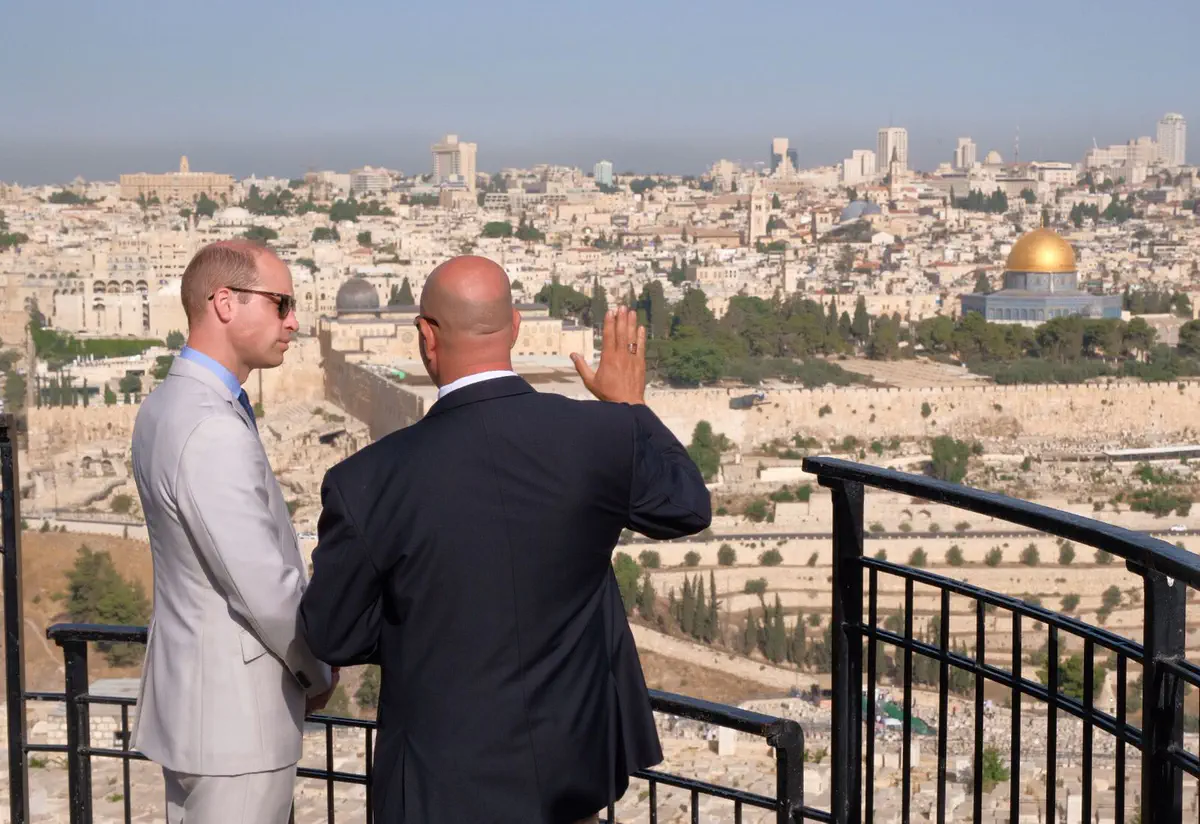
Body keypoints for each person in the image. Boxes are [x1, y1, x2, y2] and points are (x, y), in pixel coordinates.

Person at [300, 256, 712, 824]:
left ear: (426, 336)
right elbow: (688, 507)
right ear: (515, 326)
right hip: (567, 778)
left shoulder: (367, 481)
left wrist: (416, 619)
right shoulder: (602, 437)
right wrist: (631, 409)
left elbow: (333, 632)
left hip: (438, 790)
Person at [130, 240, 337, 824]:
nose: (293, 322)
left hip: (196, 708)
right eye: (281, 303)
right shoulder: (211, 427)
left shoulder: (165, 406)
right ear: (225, 303)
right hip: (238, 723)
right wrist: (316, 671)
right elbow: (262, 589)